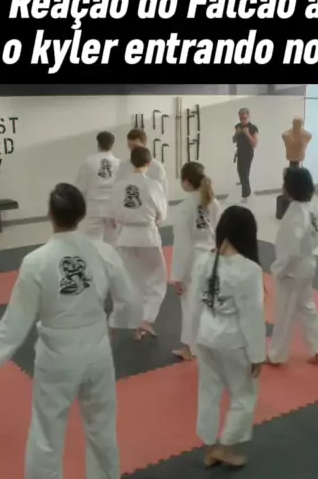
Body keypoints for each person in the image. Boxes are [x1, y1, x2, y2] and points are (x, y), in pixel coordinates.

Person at [0, 183, 135, 479]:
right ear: (81, 214)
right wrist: (116, 322)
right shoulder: (104, 252)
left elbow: (17, 317)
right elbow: (128, 297)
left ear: (50, 215)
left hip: (58, 354)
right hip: (97, 347)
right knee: (102, 415)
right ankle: (111, 476)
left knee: (48, 424)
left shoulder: (36, 261)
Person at [193, 205, 266, 468]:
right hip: (233, 341)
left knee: (209, 391)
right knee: (244, 395)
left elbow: (195, 302)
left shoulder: (204, 260)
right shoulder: (249, 269)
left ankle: (210, 446)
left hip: (205, 333)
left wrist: (192, 337)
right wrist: (257, 354)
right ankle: (224, 447)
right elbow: (252, 316)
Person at [268, 168, 318, 366]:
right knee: (306, 307)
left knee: (284, 314)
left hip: (292, 271)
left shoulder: (295, 214)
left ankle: (277, 355)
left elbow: (292, 250)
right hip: (307, 265)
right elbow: (314, 240)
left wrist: (279, 270)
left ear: (290, 187)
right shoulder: (311, 209)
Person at [109, 146, 168, 340]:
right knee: (156, 279)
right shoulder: (153, 185)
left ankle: (127, 321)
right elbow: (162, 215)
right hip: (148, 236)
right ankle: (146, 320)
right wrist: (152, 220)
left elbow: (114, 213)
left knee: (131, 281)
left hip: (125, 236)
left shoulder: (119, 186)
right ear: (149, 163)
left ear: (130, 163)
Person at [171, 162, 222, 361]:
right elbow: (220, 233)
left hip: (193, 261)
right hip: (212, 257)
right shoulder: (213, 203)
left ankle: (190, 348)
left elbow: (182, 245)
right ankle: (209, 343)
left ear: (186, 182)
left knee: (190, 306)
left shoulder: (184, 208)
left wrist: (177, 275)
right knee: (209, 303)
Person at [75, 131, 121, 246]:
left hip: (94, 208)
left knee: (92, 243)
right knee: (112, 244)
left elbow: (80, 188)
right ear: (112, 144)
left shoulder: (88, 162)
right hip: (112, 209)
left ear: (98, 143)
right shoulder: (119, 164)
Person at [117, 128, 169, 201]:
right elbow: (117, 191)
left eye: (135, 147)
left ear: (144, 144)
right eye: (130, 146)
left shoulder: (156, 167)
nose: (133, 150)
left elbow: (163, 195)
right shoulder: (123, 166)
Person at [233, 108, 258, 203]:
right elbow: (234, 140)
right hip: (239, 152)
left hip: (248, 153)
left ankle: (246, 195)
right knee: (240, 171)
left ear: (248, 115)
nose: (242, 117)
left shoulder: (253, 128)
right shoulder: (237, 126)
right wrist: (236, 133)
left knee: (245, 173)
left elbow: (254, 144)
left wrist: (247, 134)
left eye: (244, 115)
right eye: (240, 116)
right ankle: (246, 192)